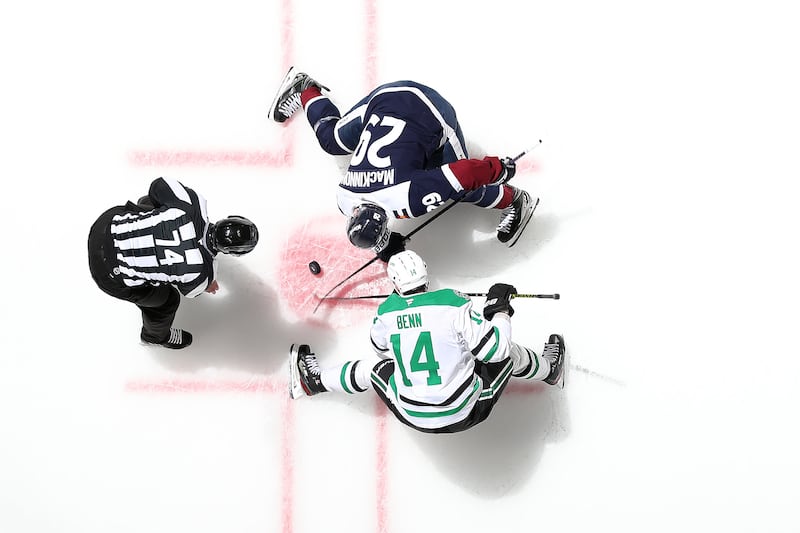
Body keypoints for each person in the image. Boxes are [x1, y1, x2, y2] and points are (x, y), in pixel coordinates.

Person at [268, 67, 538, 261]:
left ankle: (515, 200)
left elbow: (464, 174)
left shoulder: (408, 198)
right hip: (385, 98)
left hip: (429, 109)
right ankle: (306, 88)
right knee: (333, 142)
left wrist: (497, 169)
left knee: (466, 190)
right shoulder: (345, 198)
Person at [288, 250, 565, 434]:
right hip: (465, 411)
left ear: (395, 283)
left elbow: (381, 351)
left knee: (371, 369)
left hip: (410, 413)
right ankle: (550, 370)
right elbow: (497, 350)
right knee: (509, 354)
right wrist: (498, 309)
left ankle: (312, 382)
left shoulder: (387, 311)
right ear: (426, 273)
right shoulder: (454, 304)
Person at [88, 177, 259, 349]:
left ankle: (148, 219)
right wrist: (207, 283)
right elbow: (190, 291)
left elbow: (157, 185)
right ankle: (154, 337)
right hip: (108, 275)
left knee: (156, 204)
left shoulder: (193, 202)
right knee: (168, 300)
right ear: (232, 253)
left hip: (104, 227)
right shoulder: (202, 275)